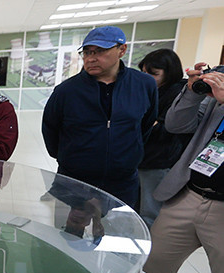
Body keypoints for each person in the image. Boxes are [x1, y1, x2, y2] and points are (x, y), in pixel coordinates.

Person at [144, 64, 224, 273]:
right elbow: (177, 124)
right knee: (151, 269)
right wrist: (192, 91)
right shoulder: (216, 99)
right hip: (188, 194)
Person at [42, 26, 157, 208]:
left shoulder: (144, 85)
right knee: (69, 232)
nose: (91, 58)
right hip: (74, 179)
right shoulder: (67, 91)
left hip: (122, 182)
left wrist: (127, 155)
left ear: (122, 50)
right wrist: (69, 158)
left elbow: (145, 125)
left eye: (100, 51)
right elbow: (50, 129)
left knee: (118, 233)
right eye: (87, 52)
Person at [136, 49, 190, 227]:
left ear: (169, 73)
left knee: (150, 212)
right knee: (136, 207)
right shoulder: (149, 90)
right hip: (140, 158)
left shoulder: (178, 92)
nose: (146, 77)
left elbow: (165, 127)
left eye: (153, 74)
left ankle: (150, 250)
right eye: (143, 72)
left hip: (158, 160)